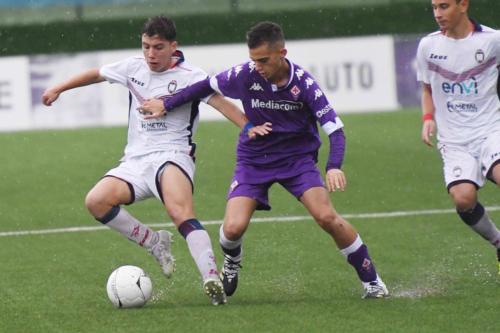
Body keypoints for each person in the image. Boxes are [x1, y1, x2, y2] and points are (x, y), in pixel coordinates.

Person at [139, 21, 389, 299]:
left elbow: (335, 129)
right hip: (254, 158)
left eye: (263, 60)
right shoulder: (246, 74)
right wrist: (167, 103)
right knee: (232, 229)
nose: (257, 67)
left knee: (326, 217)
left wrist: (333, 166)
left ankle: (372, 281)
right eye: (253, 60)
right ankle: (232, 262)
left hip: (297, 160)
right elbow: (202, 87)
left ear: (282, 53)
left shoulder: (304, 84)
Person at [42, 15, 258, 306]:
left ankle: (210, 277)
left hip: (173, 156)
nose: (150, 54)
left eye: (158, 47)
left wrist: (248, 127)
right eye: (146, 47)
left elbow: (222, 104)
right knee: (96, 201)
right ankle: (154, 243)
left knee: (179, 212)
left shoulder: (191, 76)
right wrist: (59, 88)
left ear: (173, 46)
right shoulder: (133, 67)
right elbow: (96, 74)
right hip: (134, 161)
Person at [416, 0, 500, 272]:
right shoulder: (428, 46)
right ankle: (499, 243)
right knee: (463, 198)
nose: (438, 14)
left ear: (463, 4)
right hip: (454, 139)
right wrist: (428, 118)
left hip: (491, 129)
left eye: (444, 6)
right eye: (434, 8)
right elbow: (427, 88)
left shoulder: (492, 40)